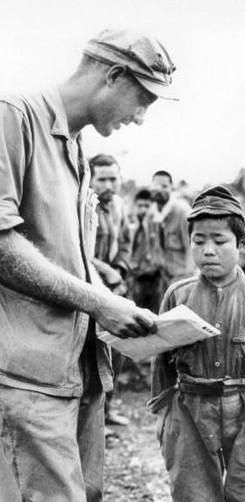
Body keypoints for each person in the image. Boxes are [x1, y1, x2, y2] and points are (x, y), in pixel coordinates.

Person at [0, 29, 175, 502]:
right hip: (27, 377)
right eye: (143, 100)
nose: (140, 118)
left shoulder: (76, 148)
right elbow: (3, 246)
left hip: (78, 369)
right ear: (113, 75)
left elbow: (64, 257)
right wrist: (100, 303)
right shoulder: (13, 118)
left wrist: (118, 306)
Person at [149, 185, 245, 502]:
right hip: (191, 406)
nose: (208, 250)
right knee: (193, 492)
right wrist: (163, 415)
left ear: (241, 243)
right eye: (198, 241)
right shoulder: (177, 295)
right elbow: (161, 361)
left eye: (219, 241)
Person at [90, 153, 132, 429]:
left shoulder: (119, 206)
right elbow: (78, 248)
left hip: (114, 287)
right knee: (91, 353)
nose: (108, 185)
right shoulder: (83, 205)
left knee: (116, 348)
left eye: (113, 179)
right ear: (91, 180)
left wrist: (120, 271)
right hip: (87, 286)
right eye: (102, 179)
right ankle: (93, 420)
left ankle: (107, 410)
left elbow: (126, 241)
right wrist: (105, 270)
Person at [147, 169, 194, 310]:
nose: (159, 190)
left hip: (182, 275)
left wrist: (189, 279)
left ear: (171, 188)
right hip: (163, 275)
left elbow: (191, 247)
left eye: (164, 186)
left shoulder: (182, 212)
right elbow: (152, 245)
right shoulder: (152, 214)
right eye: (156, 186)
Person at [128, 188, 159, 310]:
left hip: (154, 276)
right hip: (135, 275)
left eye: (147, 206)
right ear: (134, 206)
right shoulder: (130, 224)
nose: (143, 210)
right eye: (140, 206)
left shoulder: (156, 224)